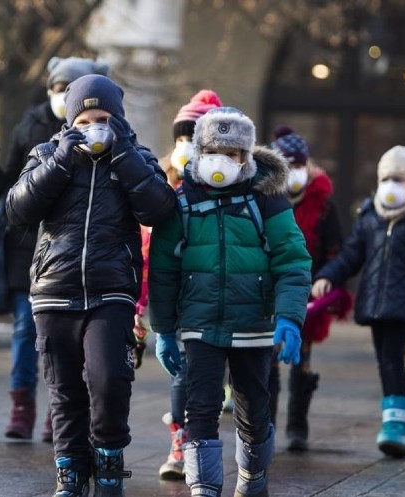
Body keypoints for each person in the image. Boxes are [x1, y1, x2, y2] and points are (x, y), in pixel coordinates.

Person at [6, 74, 177, 497]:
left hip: (111, 291)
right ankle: (70, 473)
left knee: (108, 380)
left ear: (118, 120)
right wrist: (61, 160)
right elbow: (18, 208)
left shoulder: (136, 155)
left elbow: (160, 208)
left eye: (102, 118)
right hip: (53, 290)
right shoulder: (48, 153)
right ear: (69, 120)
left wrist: (123, 155)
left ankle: (108, 464)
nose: (93, 126)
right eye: (83, 119)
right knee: (63, 390)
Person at [148, 106, 311, 497]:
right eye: (215, 150)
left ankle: (253, 476)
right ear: (201, 152)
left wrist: (289, 317)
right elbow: (164, 268)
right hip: (199, 324)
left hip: (253, 325)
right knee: (199, 407)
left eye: (234, 153)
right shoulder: (181, 202)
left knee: (253, 406)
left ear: (247, 158)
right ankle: (203, 485)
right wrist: (164, 330)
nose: (223, 160)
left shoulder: (266, 200)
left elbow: (293, 259)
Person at [0, 56, 109, 443]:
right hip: (25, 249)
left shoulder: (102, 133)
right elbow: (13, 192)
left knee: (63, 340)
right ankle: (21, 409)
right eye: (56, 88)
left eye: (70, 88)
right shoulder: (30, 125)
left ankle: (56, 411)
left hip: (69, 254)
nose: (61, 95)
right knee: (22, 331)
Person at [312, 145, 405, 458]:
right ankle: (394, 421)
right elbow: (351, 255)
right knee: (386, 360)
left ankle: (397, 426)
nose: (391, 185)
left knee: (391, 358)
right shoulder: (370, 216)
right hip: (376, 304)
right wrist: (328, 276)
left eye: (399, 179)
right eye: (386, 178)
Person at [134, 88, 222, 481]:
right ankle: (181, 444)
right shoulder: (161, 184)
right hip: (175, 296)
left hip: (214, 295)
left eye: (195, 136)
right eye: (181, 136)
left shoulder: (226, 184)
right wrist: (140, 307)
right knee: (180, 372)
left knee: (206, 376)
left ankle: (213, 448)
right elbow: (146, 252)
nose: (186, 144)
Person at [268, 125, 350, 451]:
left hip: (307, 294)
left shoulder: (324, 206)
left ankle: (298, 424)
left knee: (302, 358)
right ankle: (266, 424)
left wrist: (326, 278)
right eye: (287, 166)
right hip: (270, 291)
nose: (294, 173)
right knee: (268, 360)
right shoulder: (265, 199)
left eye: (299, 165)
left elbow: (336, 249)